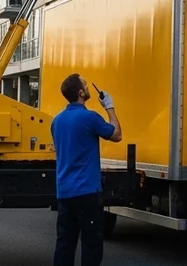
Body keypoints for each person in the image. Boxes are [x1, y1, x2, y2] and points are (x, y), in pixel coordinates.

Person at [51, 73, 123, 266]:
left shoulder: (56, 121)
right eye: (85, 84)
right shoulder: (90, 118)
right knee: (91, 246)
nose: (88, 86)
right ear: (81, 93)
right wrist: (109, 107)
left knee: (64, 245)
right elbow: (116, 135)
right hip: (87, 193)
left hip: (64, 192)